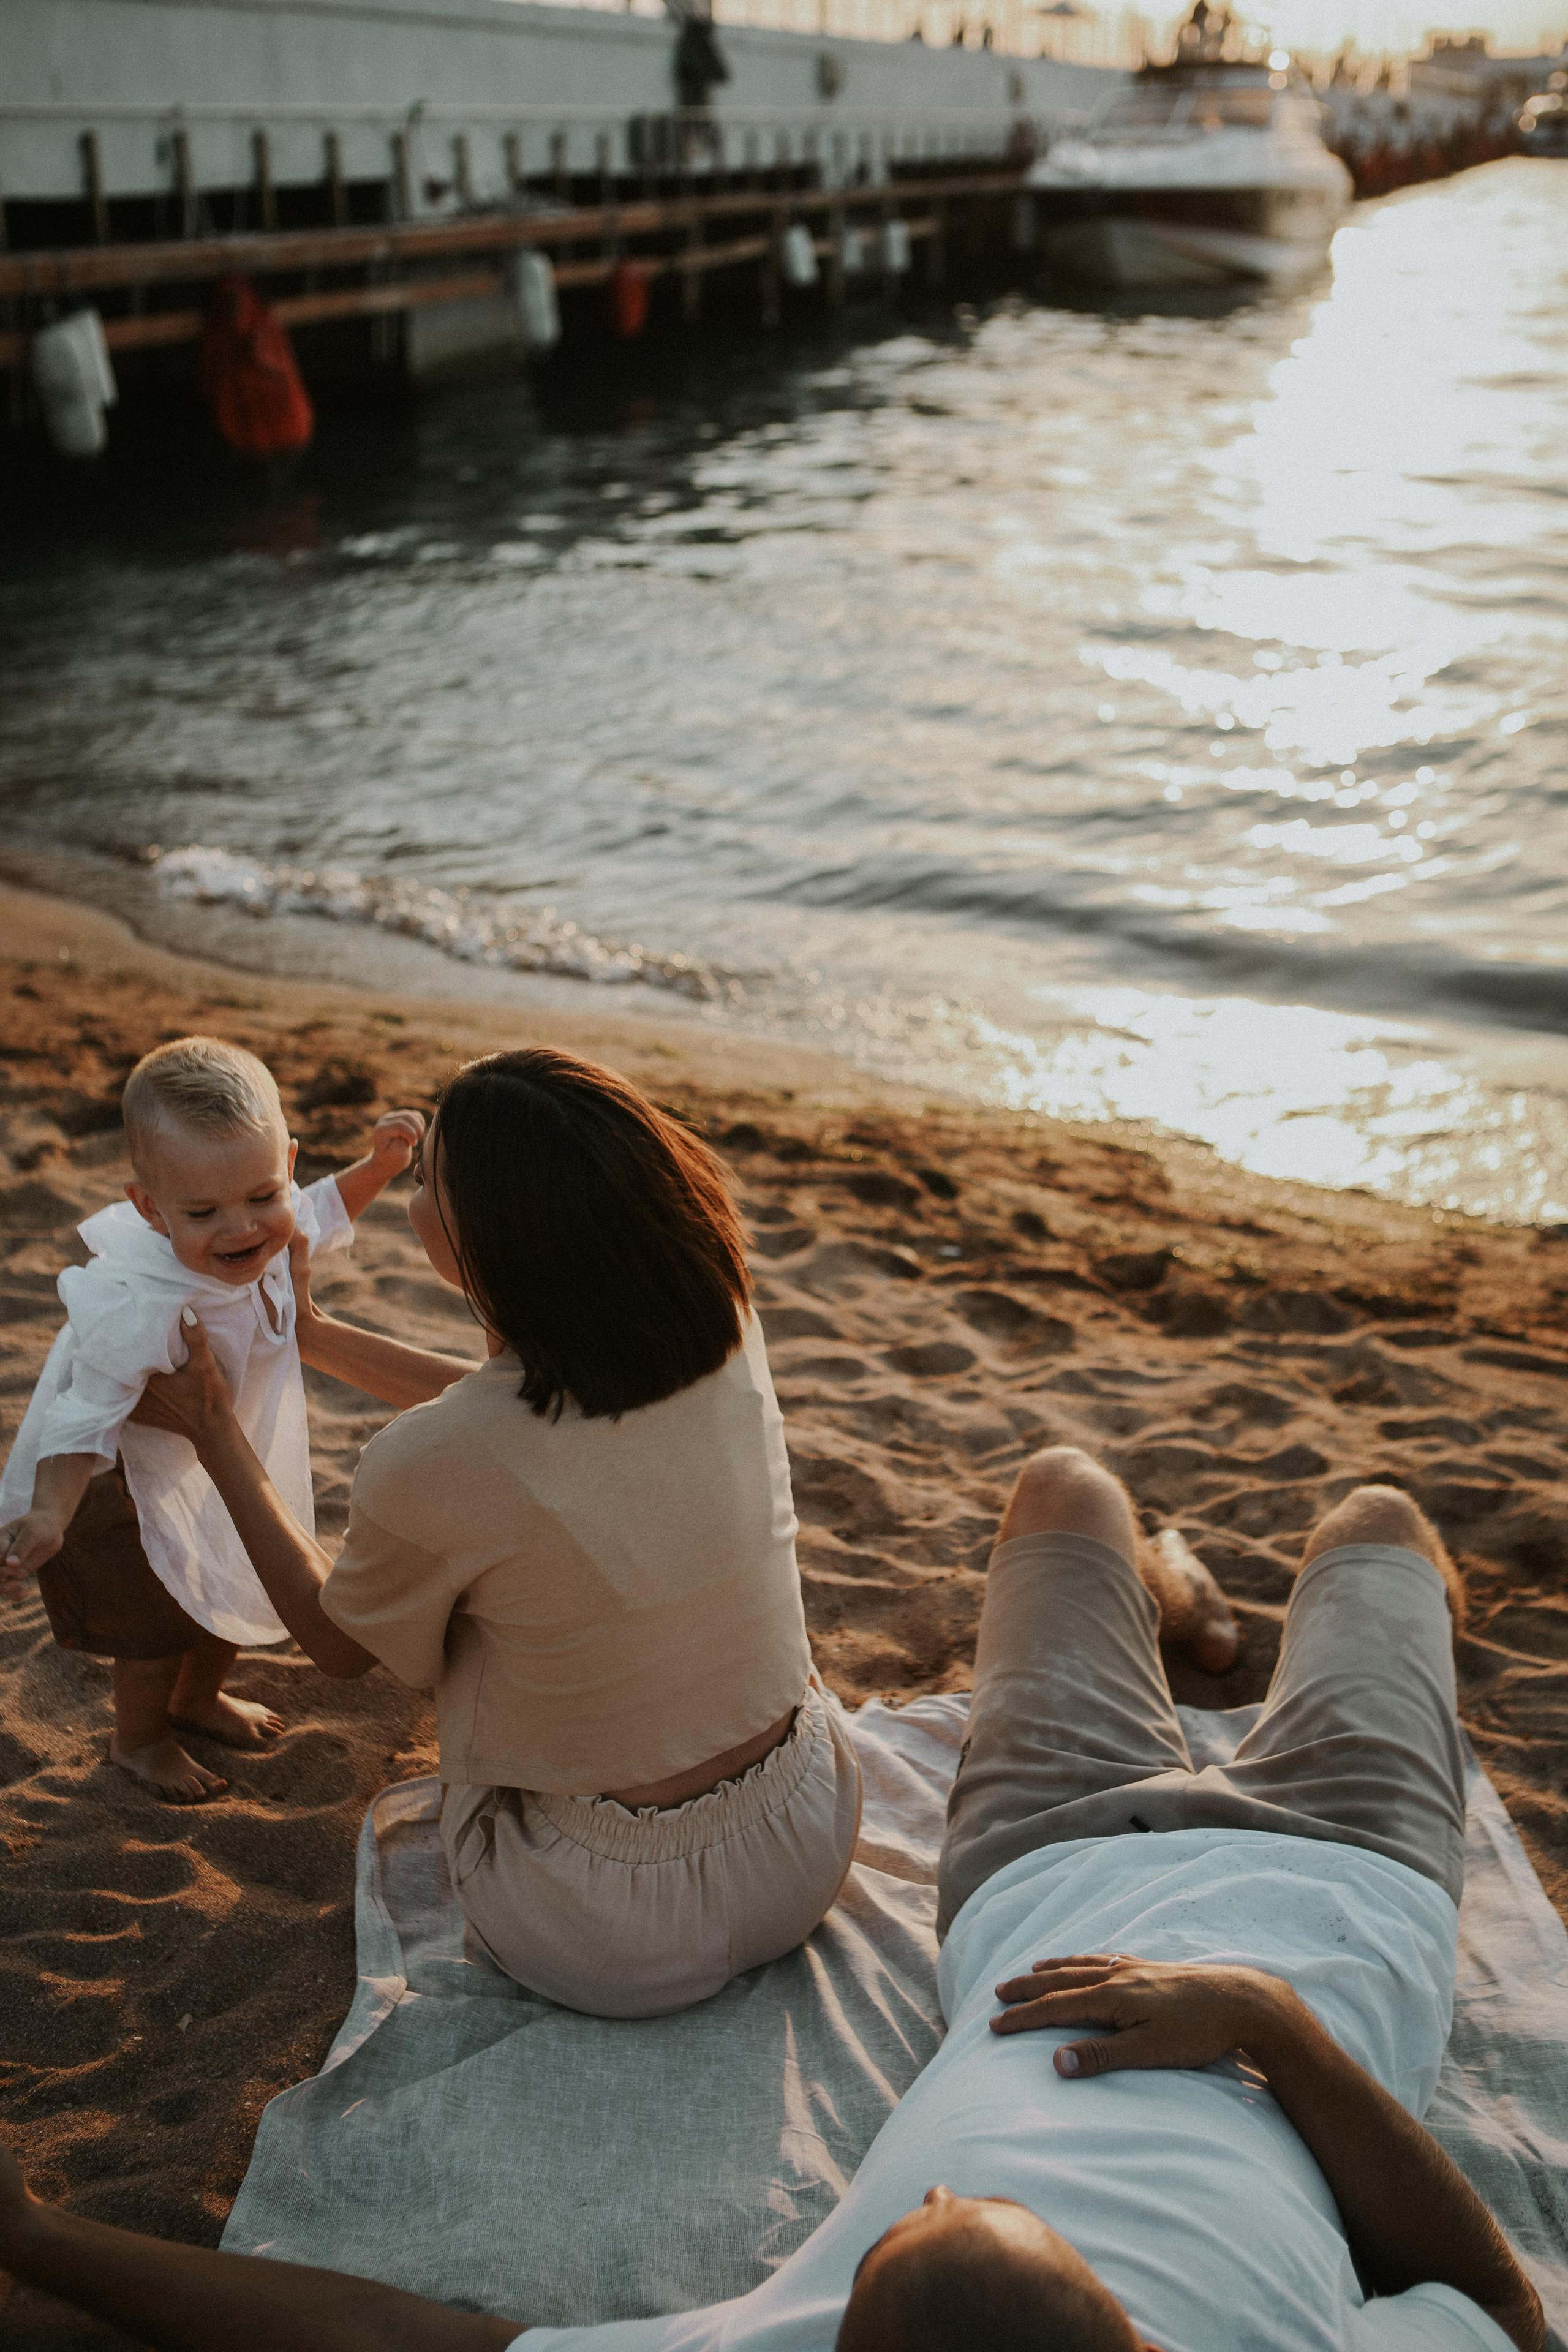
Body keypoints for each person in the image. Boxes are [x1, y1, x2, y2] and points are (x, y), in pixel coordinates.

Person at [1, 1451, 1542, 2350]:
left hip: (1050, 1855)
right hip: (1337, 1886)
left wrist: (36, 2235)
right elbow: (1499, 2309)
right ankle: (1189, 1599)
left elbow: (405, 2341)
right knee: (1375, 1519)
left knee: (1061, 1485)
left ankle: (1170, 1595)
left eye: (900, 2226)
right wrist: (1274, 2024)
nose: (917, 2189)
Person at [0, 1035, 421, 1803]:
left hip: (218, 1462)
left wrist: (380, 1168)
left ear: (286, 1166)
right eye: (203, 1212)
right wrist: (51, 1513)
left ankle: (198, 1701)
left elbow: (322, 1210)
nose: (241, 1230)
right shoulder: (142, 1302)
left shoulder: (277, 1224)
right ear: (150, 1208)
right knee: (157, 1623)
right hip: (124, 1484)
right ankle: (141, 1740)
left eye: (262, 1196)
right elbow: (81, 1413)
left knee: (237, 1576)